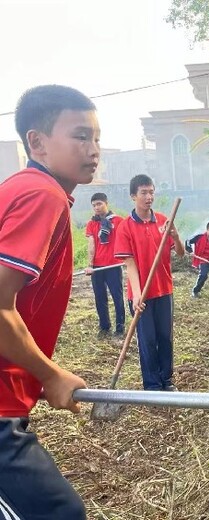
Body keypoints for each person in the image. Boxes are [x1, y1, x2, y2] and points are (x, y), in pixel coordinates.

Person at [0, 85, 99, 519]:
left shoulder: (19, 189)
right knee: (60, 513)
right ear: (37, 142)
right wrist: (52, 374)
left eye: (97, 138)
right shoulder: (43, 194)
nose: (93, 149)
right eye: (80, 136)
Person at [114, 175, 184, 391]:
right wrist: (136, 295)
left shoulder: (164, 221)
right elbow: (130, 264)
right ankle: (152, 385)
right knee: (147, 340)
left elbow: (181, 254)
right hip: (141, 294)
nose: (149, 197)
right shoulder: (125, 227)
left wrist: (175, 235)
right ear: (133, 196)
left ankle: (167, 380)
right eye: (144, 193)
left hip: (164, 289)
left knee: (165, 338)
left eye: (151, 192)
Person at [85, 192, 125, 338]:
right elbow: (91, 244)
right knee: (100, 297)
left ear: (106, 203)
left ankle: (120, 327)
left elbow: (126, 239)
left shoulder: (118, 221)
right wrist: (90, 265)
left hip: (113, 266)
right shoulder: (92, 223)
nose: (96, 207)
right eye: (94, 205)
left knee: (117, 296)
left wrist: (128, 258)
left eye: (99, 204)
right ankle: (104, 326)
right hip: (97, 267)